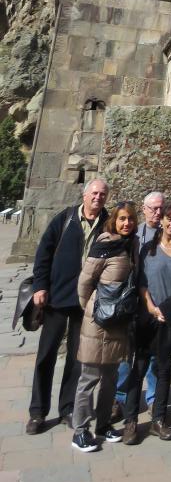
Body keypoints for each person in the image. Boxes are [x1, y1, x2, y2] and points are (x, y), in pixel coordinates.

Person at [26, 178, 109, 434]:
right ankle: (38, 412)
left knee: (76, 358)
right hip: (58, 299)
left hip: (87, 302)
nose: (98, 197)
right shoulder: (65, 219)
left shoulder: (108, 222)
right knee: (46, 356)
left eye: (103, 194)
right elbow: (44, 253)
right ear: (85, 195)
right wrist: (41, 286)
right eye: (94, 192)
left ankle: (68, 409)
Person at [71, 200, 139, 452]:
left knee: (110, 378)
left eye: (130, 219)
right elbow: (85, 281)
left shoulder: (132, 244)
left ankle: (102, 425)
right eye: (122, 219)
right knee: (89, 378)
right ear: (114, 221)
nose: (126, 223)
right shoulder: (105, 243)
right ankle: (80, 431)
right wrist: (90, 308)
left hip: (118, 322)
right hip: (97, 321)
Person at [123, 201, 171, 444]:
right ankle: (130, 421)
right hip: (147, 317)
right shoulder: (148, 248)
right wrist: (149, 305)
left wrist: (168, 311)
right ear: (161, 221)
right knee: (137, 369)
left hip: (170, 319)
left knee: (164, 369)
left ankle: (158, 419)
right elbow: (141, 282)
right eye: (168, 218)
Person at [114, 189, 165, 419]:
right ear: (144, 210)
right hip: (134, 303)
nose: (157, 212)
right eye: (153, 208)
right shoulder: (135, 236)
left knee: (154, 356)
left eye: (161, 208)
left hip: (158, 304)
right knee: (126, 355)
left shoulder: (169, 235)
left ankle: (153, 399)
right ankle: (119, 397)